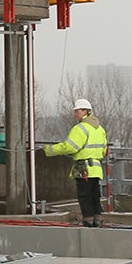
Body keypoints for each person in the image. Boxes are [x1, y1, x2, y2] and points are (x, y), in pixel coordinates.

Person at [42, 97, 108, 226]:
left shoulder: (81, 128)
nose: (75, 114)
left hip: (84, 169)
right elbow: (103, 150)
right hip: (96, 169)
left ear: (85, 111)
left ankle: (88, 220)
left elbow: (70, 146)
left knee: (84, 196)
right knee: (95, 195)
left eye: (77, 111)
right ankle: (97, 219)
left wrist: (49, 150)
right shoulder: (100, 129)